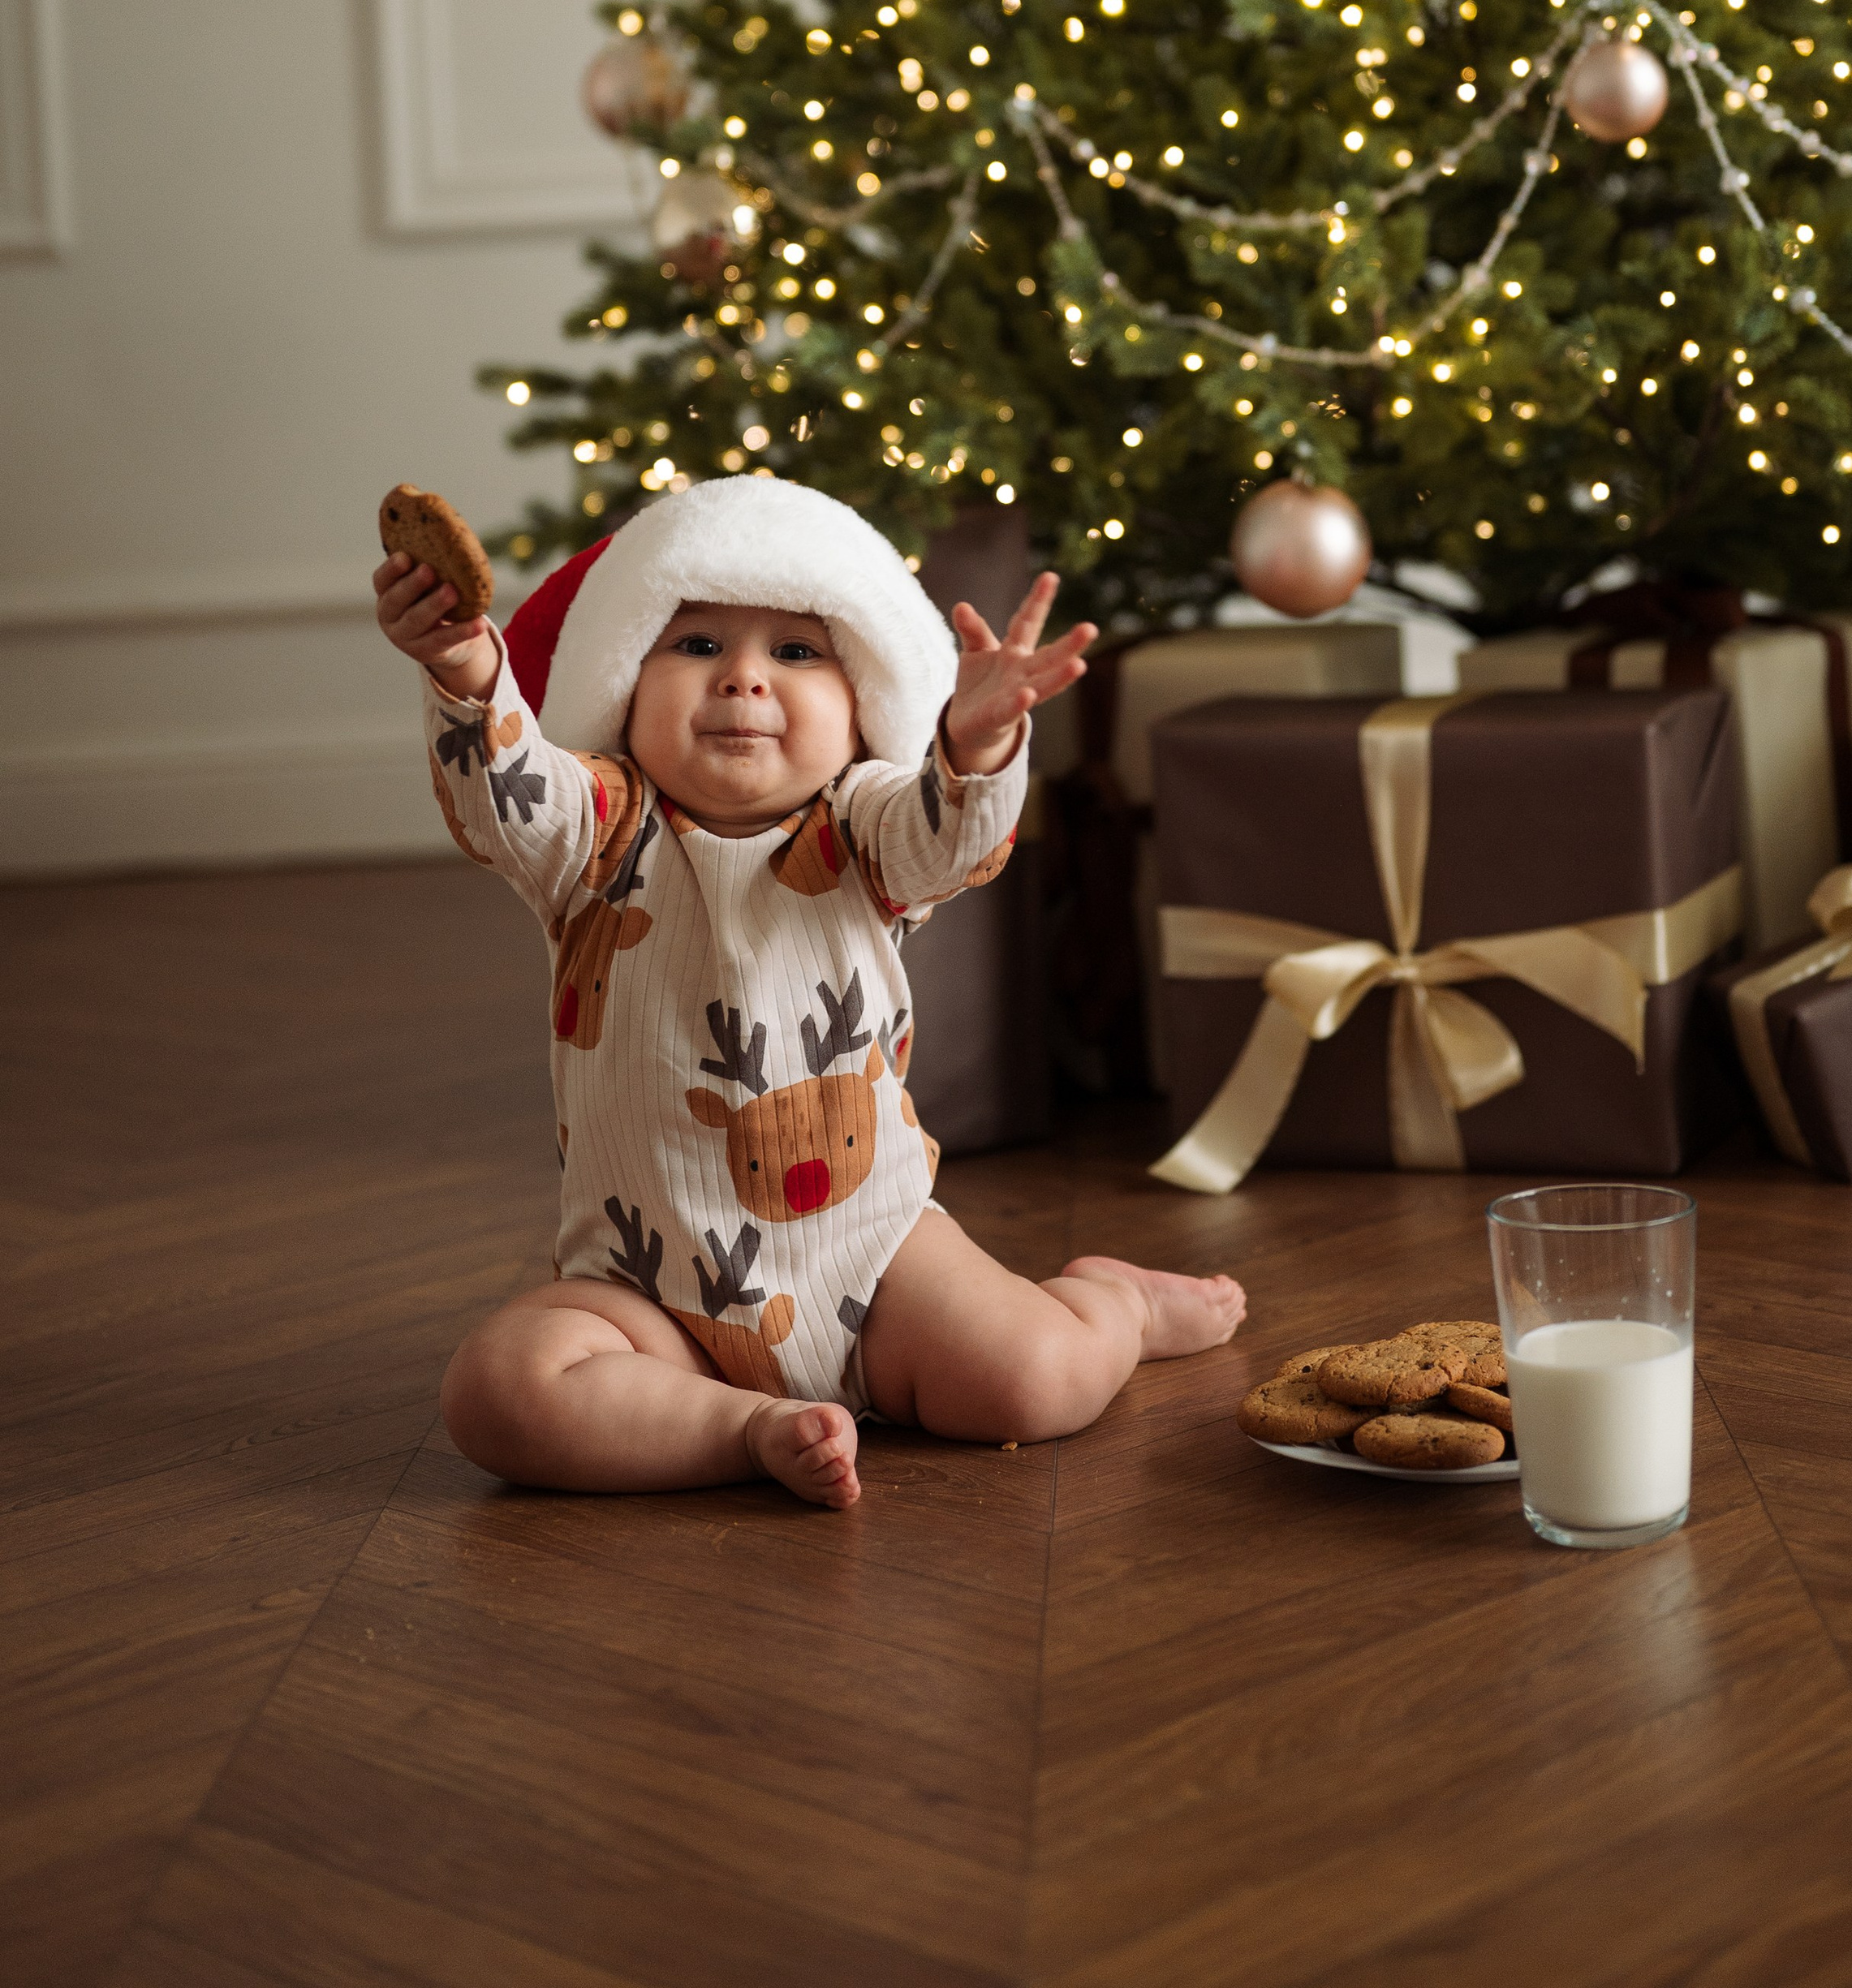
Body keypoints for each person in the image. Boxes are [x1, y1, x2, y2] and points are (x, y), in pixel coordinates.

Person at [375, 477, 1245, 1508]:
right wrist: (468, 666)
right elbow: (502, 796)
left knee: (1034, 1378)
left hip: (876, 1265)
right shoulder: (591, 826)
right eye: (696, 645)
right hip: (644, 1289)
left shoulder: (867, 822)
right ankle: (746, 1427)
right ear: (625, 676)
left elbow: (952, 836)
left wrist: (971, 741)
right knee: (498, 1389)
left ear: (866, 699)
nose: (743, 678)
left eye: (795, 651)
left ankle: (1114, 1308)